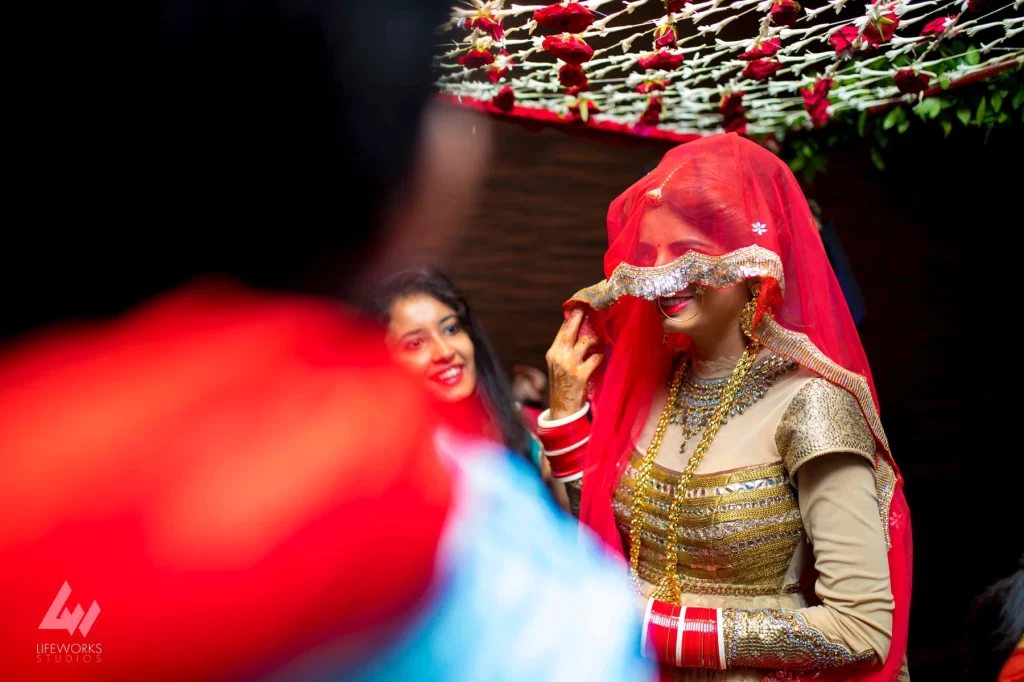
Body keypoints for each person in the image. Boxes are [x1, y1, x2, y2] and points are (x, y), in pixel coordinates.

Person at [0, 0, 652, 680]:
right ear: (415, 193)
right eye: (413, 339)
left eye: (451, 328)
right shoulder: (496, 573)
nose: (441, 351)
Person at [535, 133, 912, 681]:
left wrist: (657, 631)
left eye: (685, 251)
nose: (661, 274)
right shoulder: (653, 384)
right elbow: (601, 546)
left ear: (749, 258)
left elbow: (861, 631)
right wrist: (567, 418)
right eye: (651, 253)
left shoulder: (812, 405)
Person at [368, 266, 573, 511]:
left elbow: (575, 522)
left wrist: (565, 413)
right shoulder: (381, 470)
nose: (445, 351)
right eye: (416, 343)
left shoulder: (527, 428)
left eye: (451, 329)